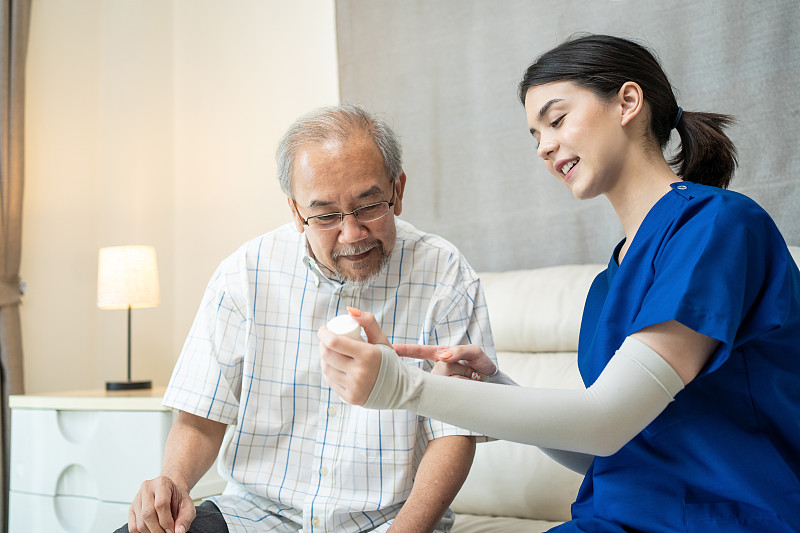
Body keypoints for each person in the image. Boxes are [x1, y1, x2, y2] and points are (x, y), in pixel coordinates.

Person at [318, 35, 800, 532]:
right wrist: (496, 386)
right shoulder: (607, 285)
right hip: (619, 517)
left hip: (731, 517)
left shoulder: (718, 229)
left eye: (556, 119)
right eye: (535, 135)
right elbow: (604, 451)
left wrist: (403, 387)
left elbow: (605, 421)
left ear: (628, 103)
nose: (545, 146)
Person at [119, 104, 496, 533]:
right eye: (326, 215)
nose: (352, 233)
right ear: (297, 213)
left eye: (369, 206)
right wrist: (175, 482)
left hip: (387, 522)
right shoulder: (245, 274)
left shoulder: (446, 275)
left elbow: (455, 434)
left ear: (398, 189)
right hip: (257, 516)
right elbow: (202, 415)